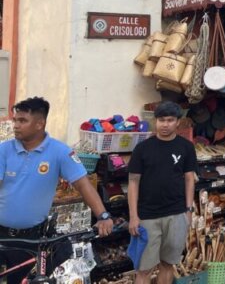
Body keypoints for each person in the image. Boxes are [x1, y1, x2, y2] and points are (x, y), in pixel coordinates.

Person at [0, 97, 114, 284]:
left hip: (32, 239)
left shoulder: (60, 152)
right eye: (15, 120)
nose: (16, 125)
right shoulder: (4, 150)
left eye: (22, 120)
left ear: (39, 124)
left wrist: (102, 215)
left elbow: (83, 184)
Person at [128, 101, 197, 284]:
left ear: (178, 122)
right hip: (147, 216)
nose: (165, 124)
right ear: (155, 121)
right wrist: (133, 216)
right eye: (161, 120)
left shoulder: (186, 147)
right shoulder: (142, 149)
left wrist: (188, 210)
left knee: (167, 264)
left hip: (176, 214)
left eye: (170, 120)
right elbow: (133, 182)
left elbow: (189, 178)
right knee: (144, 269)